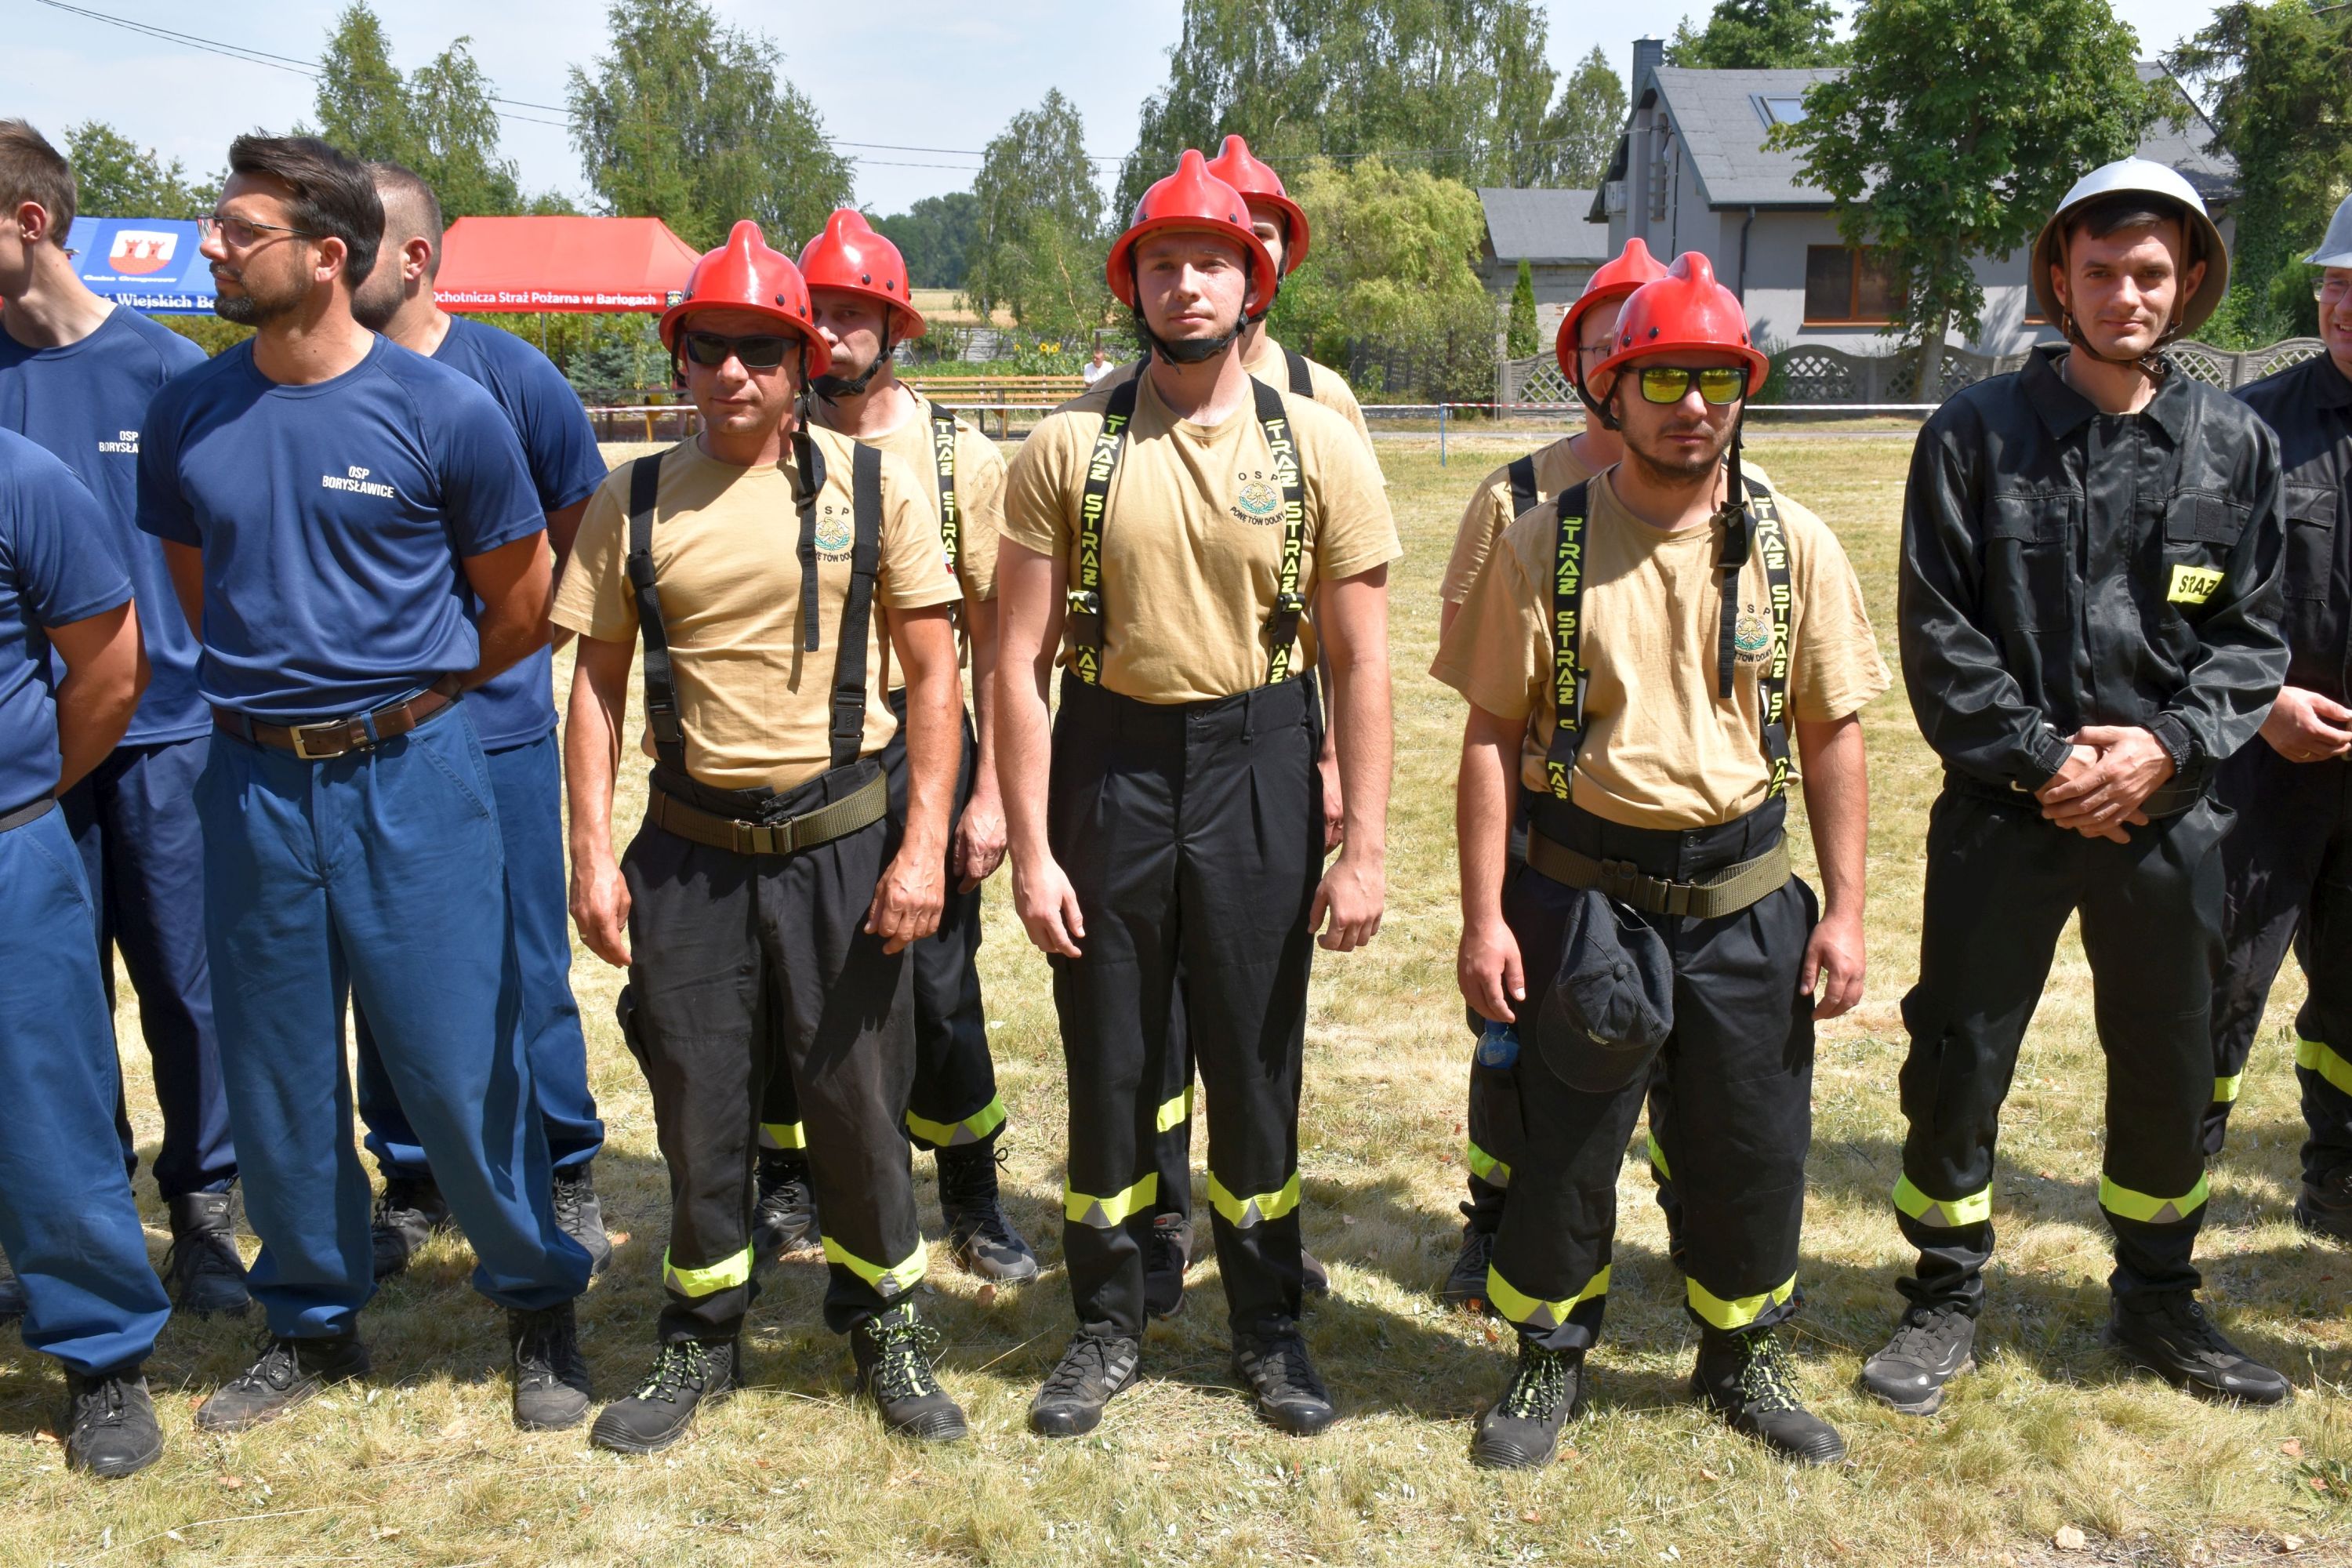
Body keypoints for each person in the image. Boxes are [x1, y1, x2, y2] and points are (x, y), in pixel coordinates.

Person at [138, 135, 593, 1433]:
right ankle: (311, 1320)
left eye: (240, 231)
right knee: (279, 1067)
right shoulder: (190, 412)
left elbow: (521, 607)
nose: (213, 248)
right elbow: (203, 597)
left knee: (458, 1060)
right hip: (250, 782)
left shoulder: (445, 411)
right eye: (216, 226)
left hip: (413, 775)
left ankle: (538, 1300)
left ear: (328, 257)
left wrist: (407, 702)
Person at [1436, 251, 1883, 1469]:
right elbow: (1488, 738)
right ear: (1614, 389)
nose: (1693, 405)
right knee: (1566, 1144)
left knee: (1754, 1143)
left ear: (1744, 392)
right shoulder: (1544, 541)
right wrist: (1486, 917)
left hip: (1747, 898)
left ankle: (1744, 1353)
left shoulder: (1794, 543)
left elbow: (1833, 731)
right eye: (1665, 378)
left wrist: (1847, 911)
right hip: (1585, 893)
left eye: (1717, 379)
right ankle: (1547, 1357)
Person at [1863, 158, 2292, 1415]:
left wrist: (2165, 749)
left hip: (2170, 816)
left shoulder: (2236, 444)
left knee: (2170, 1052)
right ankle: (1943, 1295)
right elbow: (1941, 634)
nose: (2126, 295)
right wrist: (2051, 760)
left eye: (2151, 272)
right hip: (2008, 813)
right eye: (2100, 271)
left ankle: (2158, 1297)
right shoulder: (1974, 433)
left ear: (2190, 282)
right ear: (2060, 277)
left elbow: (2253, 638)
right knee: (1959, 1046)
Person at [998, 150, 1396, 1439]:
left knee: (1254, 1056)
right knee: (1112, 1056)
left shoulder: (1319, 442)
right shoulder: (1068, 445)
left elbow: (1361, 660)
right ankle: (1108, 1322)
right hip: (1108, 757)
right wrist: (1030, 850)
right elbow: (1015, 664)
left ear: (1252, 281)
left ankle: (1268, 1329)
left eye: (1212, 262)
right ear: (1133, 284)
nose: (1187, 286)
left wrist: (1364, 847)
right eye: (1162, 264)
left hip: (1259, 752)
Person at [558, 220, 971, 1452]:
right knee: (699, 1100)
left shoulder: (876, 488)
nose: (732, 372)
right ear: (678, 359)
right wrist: (591, 855)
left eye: (760, 350)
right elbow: (596, 686)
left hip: (842, 843)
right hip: (690, 852)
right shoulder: (631, 498)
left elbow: (934, 674)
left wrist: (923, 848)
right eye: (708, 348)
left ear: (803, 363)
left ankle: (886, 1327)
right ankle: (700, 1336)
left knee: (858, 1101)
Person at [742, 207, 1036, 1284]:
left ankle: (971, 1192)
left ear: (897, 327)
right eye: (816, 311)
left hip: (924, 736)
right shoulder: (765, 446)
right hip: (803, 745)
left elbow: (999, 642)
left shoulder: (960, 459)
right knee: (789, 973)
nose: (833, 330)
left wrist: (991, 792)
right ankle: (788, 1183)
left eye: (855, 312)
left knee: (939, 979)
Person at [347, 159, 611, 1280]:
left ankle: (563, 1161)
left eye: (352, 239)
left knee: (524, 957)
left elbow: (582, 550)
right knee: (384, 962)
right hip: (363, 742)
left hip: (494, 729)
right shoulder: (317, 384)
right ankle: (413, 1175)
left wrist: (495, 671)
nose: (327, 257)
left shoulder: (511, 377)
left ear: (414, 257)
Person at [0, 119, 245, 1319]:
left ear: (29, 222)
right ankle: (84, 1214)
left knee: (188, 989)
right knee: (55, 1002)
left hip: (168, 735)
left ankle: (206, 1211)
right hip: (32, 760)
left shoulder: (169, 373)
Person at [1137, 132, 1374, 1320]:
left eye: (1257, 232)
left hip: (1269, 730)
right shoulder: (1125, 404)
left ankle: (1263, 1237)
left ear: (1271, 260)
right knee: (1149, 1017)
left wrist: (1327, 759)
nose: (1209, 271)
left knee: (1254, 1014)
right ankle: (1158, 1214)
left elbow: (1340, 617)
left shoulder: (1318, 404)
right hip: (1141, 750)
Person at [1430, 235, 1667, 1314]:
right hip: (1547, 820)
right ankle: (1494, 1219)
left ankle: (1690, 1216)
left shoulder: (1734, 491)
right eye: (1611, 344)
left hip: (1675, 817)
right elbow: (1477, 669)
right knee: (1516, 1032)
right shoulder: (1516, 496)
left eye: (1651, 342)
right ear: (1581, 364)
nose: (1631, 361)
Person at [0, 426, 174, 1477]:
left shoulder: (22, 480)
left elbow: (110, 669)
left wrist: (25, 794)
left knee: (46, 1114)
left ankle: (101, 1353)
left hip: (8, 846)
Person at [2206, 192, 2352, 1234]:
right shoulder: (2250, 427)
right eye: (2337, 283)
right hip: (2261, 767)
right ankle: (2171, 1188)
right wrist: (2260, 701)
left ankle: (2337, 1179)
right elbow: (2183, 589)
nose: (2344, 305)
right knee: (2218, 978)